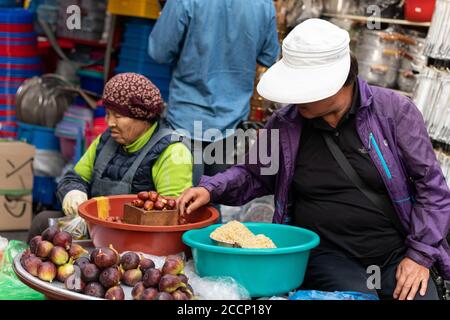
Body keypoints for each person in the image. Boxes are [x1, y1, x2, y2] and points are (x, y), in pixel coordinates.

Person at [177, 19, 450, 300]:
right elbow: (254, 175)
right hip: (327, 255)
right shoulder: (285, 124)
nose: (295, 99)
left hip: (394, 252)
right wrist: (211, 188)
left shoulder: (395, 113)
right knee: (355, 297)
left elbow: (431, 188)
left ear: (339, 84)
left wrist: (419, 256)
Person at [28, 73, 193, 240]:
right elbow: (74, 177)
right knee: (42, 221)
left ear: (143, 118)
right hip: (96, 227)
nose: (110, 122)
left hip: (137, 237)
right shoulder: (106, 139)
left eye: (118, 116)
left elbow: (170, 217)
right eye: (108, 114)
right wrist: (73, 192)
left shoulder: (172, 151)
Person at [148, 0, 280, 183]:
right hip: (230, 125)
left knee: (177, 201)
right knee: (213, 198)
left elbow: (159, 52)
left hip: (185, 119)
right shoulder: (263, 5)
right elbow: (269, 56)